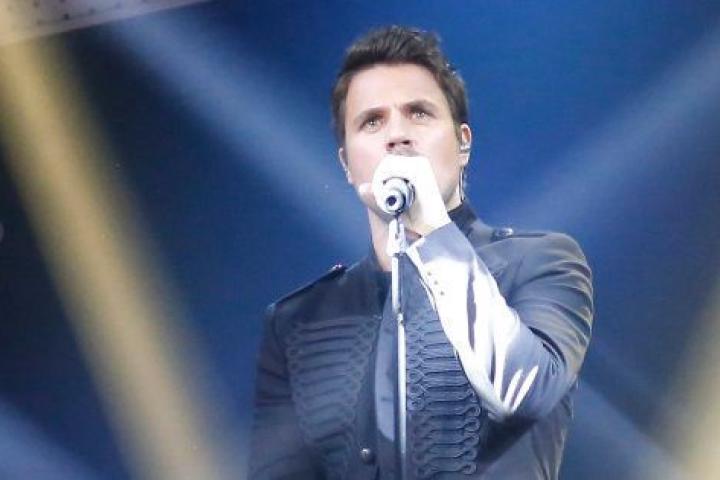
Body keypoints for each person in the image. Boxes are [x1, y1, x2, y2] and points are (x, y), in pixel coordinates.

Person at [249, 26, 593, 480]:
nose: (397, 135)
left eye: (418, 113)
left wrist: (431, 230)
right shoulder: (299, 319)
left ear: (463, 142)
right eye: (372, 122)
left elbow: (526, 393)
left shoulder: (540, 263)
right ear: (346, 163)